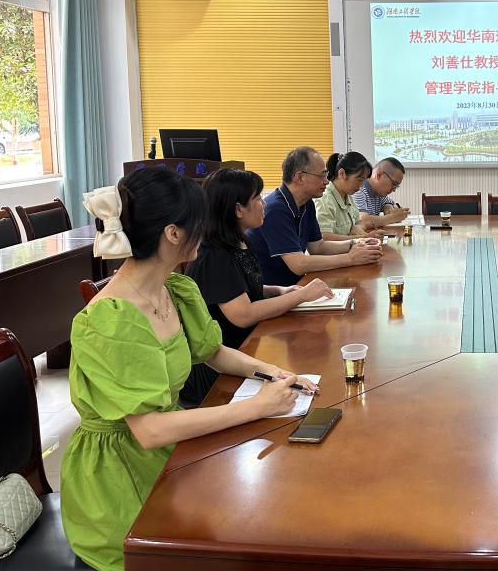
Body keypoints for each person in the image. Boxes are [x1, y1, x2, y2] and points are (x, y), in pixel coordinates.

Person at [60, 168, 317, 571]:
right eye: (200, 220)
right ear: (173, 233)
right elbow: (150, 430)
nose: (207, 227)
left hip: (167, 453)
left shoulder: (174, 288)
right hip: (120, 479)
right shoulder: (111, 320)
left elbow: (213, 352)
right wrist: (257, 407)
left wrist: (273, 372)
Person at [180, 168, 335, 406]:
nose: (264, 204)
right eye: (257, 198)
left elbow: (248, 287)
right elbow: (243, 315)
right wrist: (301, 295)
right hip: (218, 365)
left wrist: (280, 291)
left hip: (246, 350)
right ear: (238, 209)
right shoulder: (214, 254)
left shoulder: (240, 241)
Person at [246, 147, 383, 286]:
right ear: (300, 177)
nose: (327, 181)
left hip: (295, 285)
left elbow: (318, 247)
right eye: (322, 176)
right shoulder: (275, 209)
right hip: (274, 291)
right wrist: (351, 258)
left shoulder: (307, 203)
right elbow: (298, 264)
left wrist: (356, 243)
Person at [315, 151, 387, 240]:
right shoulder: (324, 200)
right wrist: (363, 238)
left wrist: (357, 227)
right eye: (359, 180)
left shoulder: (347, 196)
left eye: (363, 181)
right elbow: (325, 237)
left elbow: (359, 222)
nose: (361, 186)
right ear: (342, 174)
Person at [354, 157, 411, 230]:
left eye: (396, 186)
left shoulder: (379, 192)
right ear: (379, 175)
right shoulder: (358, 189)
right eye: (394, 184)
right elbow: (363, 220)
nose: (394, 190)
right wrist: (394, 217)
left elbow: (390, 203)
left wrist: (387, 206)